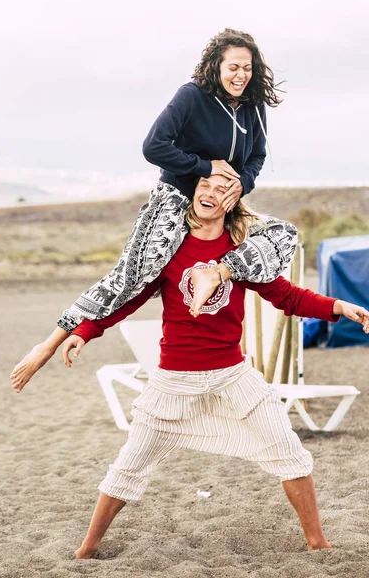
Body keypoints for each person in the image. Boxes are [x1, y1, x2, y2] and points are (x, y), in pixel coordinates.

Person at [52, 174, 369, 559]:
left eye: (221, 189)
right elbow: (127, 299)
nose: (210, 192)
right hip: (173, 381)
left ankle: (317, 540)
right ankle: (88, 547)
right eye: (204, 185)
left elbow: (287, 296)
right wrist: (83, 332)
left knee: (289, 451)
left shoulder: (241, 254)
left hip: (231, 376)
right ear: (192, 192)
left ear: (232, 201)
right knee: (129, 466)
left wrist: (338, 306)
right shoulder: (168, 250)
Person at [10, 28, 297, 393]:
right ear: (216, 66)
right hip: (176, 199)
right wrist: (205, 167)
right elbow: (154, 146)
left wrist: (242, 184)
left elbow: (256, 156)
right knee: (131, 278)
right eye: (234, 67)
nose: (241, 75)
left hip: (224, 202)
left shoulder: (253, 105)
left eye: (248, 68)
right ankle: (48, 343)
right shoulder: (192, 96)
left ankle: (219, 273)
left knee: (283, 234)